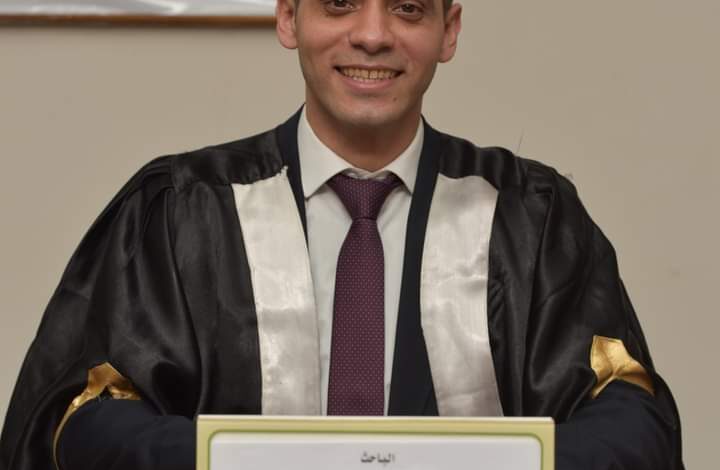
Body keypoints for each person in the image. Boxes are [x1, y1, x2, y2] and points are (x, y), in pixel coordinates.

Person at [0, 1, 684, 469]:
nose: (373, 35)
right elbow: (83, 414)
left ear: (449, 31)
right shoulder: (183, 211)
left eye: (408, 8)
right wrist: (243, 461)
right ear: (288, 17)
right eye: (338, 4)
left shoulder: (529, 217)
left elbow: (629, 414)